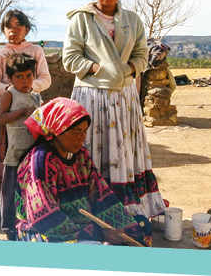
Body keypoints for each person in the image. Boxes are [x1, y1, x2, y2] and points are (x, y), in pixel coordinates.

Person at [62, 0, 166, 218]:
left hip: (123, 97)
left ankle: (124, 209)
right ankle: (91, 210)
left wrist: (128, 69)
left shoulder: (132, 20)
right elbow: (70, 58)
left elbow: (142, 54)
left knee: (122, 150)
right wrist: (98, 68)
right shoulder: (81, 19)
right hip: (92, 96)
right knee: (92, 151)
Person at [15, 97, 151, 245]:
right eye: (76, 132)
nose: (82, 138)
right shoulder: (40, 162)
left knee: (140, 226)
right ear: (57, 130)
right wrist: (97, 234)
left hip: (82, 225)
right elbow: (43, 219)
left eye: (84, 132)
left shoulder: (81, 155)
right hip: (43, 232)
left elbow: (102, 195)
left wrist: (126, 229)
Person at [0, 10, 51, 197]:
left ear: (27, 29)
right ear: (3, 30)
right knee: (9, 156)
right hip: (8, 113)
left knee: (31, 152)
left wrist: (27, 88)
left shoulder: (36, 51)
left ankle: (32, 196)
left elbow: (45, 79)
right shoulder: (0, 54)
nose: (13, 30)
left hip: (31, 112)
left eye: (18, 25)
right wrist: (12, 92)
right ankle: (8, 196)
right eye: (8, 26)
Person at [0, 53, 42, 240]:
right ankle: (9, 228)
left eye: (29, 76)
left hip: (32, 155)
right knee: (11, 192)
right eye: (19, 77)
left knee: (29, 192)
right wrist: (22, 111)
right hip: (15, 154)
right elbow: (1, 118)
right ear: (10, 78)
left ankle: (28, 224)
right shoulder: (9, 94)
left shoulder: (36, 97)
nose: (25, 81)